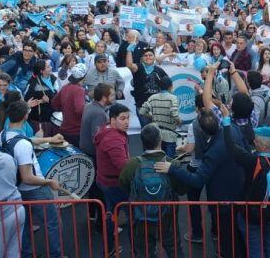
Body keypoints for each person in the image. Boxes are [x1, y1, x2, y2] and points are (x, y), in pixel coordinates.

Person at [155, 63, 248, 258]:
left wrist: (173, 168)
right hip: (239, 191)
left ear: (203, 132)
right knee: (237, 233)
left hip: (223, 199)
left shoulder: (213, 150)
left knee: (227, 237)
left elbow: (197, 180)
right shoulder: (232, 130)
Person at [218, 105, 270, 258]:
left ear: (263, 145)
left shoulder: (252, 161)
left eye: (256, 141)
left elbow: (231, 146)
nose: (254, 142)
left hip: (251, 215)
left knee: (254, 249)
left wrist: (226, 121)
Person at [0, 99, 63, 258]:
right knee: (53, 224)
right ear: (25, 116)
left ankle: (27, 254)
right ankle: (55, 255)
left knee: (24, 225)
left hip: (15, 188)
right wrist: (50, 182)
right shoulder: (23, 145)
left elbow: (27, 140)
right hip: (35, 190)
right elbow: (27, 177)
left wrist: (50, 139)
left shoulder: (3, 134)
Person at [119, 123, 187, 258]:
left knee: (145, 252)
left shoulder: (132, 164)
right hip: (167, 217)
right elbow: (182, 189)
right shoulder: (172, 164)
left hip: (141, 217)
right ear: (160, 141)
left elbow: (123, 184)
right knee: (174, 250)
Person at [94, 103, 131, 247]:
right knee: (132, 213)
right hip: (115, 184)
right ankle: (135, 248)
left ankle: (109, 247)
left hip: (105, 180)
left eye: (128, 118)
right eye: (123, 118)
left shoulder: (106, 129)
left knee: (110, 213)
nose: (127, 122)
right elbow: (124, 166)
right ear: (113, 120)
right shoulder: (114, 139)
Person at [138, 76, 181, 157]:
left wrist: (151, 116)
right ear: (171, 87)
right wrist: (179, 121)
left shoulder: (152, 97)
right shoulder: (173, 98)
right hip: (170, 135)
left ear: (159, 87)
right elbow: (175, 114)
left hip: (157, 135)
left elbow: (141, 112)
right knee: (169, 162)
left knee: (158, 160)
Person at [126, 46, 168, 120]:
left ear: (154, 57)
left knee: (158, 130)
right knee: (146, 130)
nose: (148, 57)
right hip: (142, 107)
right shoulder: (138, 67)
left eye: (150, 55)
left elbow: (168, 84)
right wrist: (129, 51)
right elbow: (129, 65)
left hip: (157, 108)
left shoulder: (159, 70)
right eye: (145, 55)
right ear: (142, 58)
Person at [52, 63, 87, 147]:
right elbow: (80, 110)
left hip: (64, 129)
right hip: (76, 131)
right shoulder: (79, 90)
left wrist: (67, 109)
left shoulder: (66, 87)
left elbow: (54, 104)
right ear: (84, 76)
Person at [79, 83, 114, 158]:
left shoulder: (89, 105)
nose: (113, 98)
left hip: (85, 149)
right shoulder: (99, 113)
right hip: (93, 153)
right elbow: (97, 138)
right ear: (104, 98)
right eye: (111, 95)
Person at [23, 59, 57, 135]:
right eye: (48, 67)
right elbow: (26, 100)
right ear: (42, 71)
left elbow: (57, 95)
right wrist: (40, 101)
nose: (51, 67)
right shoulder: (33, 83)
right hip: (37, 118)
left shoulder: (53, 79)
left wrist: (49, 100)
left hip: (51, 115)